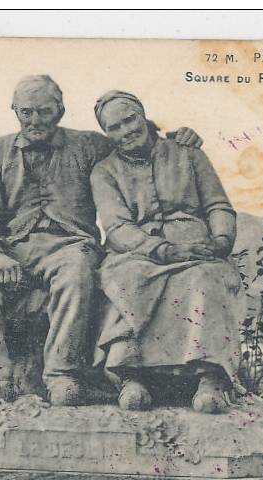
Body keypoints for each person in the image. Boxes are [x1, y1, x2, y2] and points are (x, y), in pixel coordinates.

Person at [0, 76, 203, 406]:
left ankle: (62, 374)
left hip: (71, 245)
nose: (35, 121)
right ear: (14, 110)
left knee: (77, 271)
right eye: (26, 112)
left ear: (60, 110)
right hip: (13, 249)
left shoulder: (89, 146)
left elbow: (132, 140)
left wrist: (176, 137)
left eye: (44, 112)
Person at [90, 90, 244, 414]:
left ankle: (209, 377)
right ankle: (130, 376)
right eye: (115, 127)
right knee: (127, 279)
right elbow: (117, 228)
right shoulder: (104, 171)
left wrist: (220, 240)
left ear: (143, 114)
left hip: (197, 244)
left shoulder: (187, 153)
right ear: (107, 134)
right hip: (137, 249)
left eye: (130, 119)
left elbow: (218, 204)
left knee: (205, 277)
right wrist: (161, 249)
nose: (126, 130)